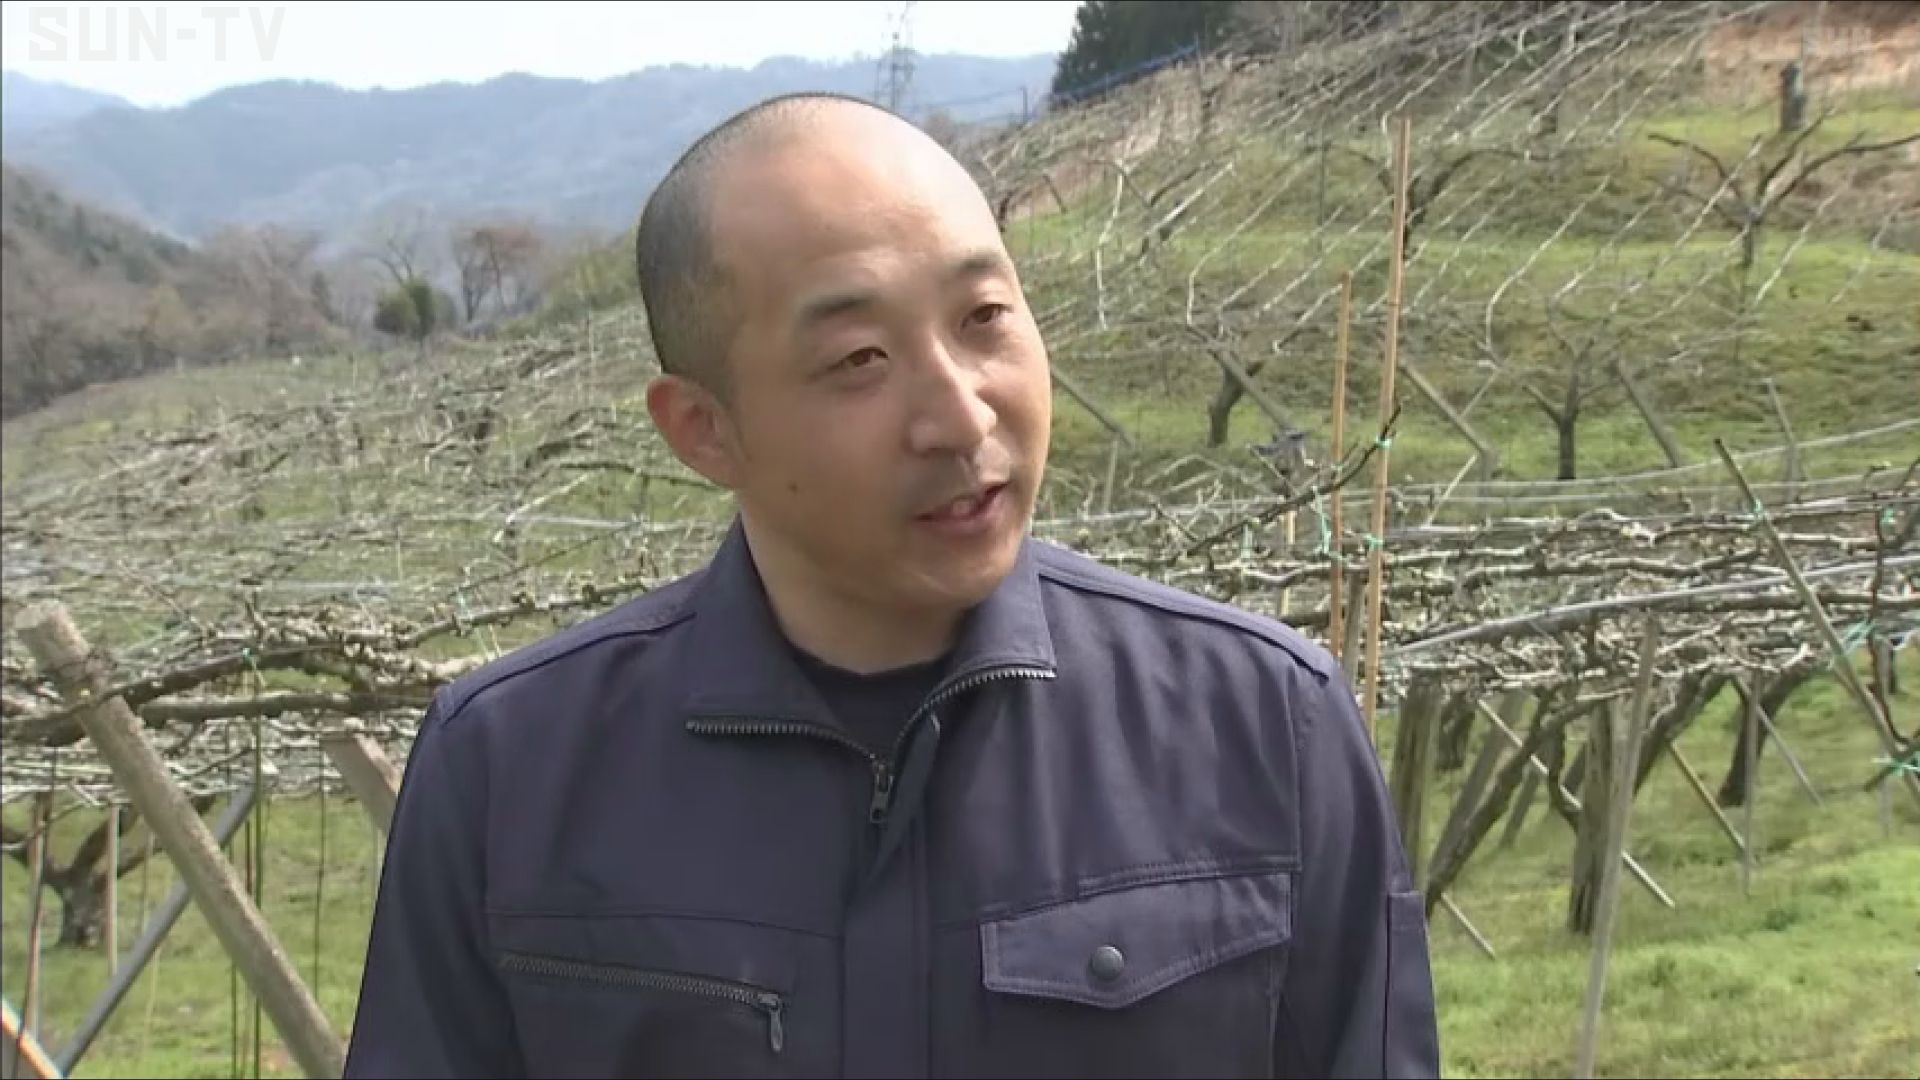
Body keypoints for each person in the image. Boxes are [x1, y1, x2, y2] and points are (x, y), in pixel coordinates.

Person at [342, 91, 1440, 1079]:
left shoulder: (1264, 723)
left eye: (984, 319)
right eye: (860, 359)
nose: (961, 416)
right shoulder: (509, 770)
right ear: (705, 429)